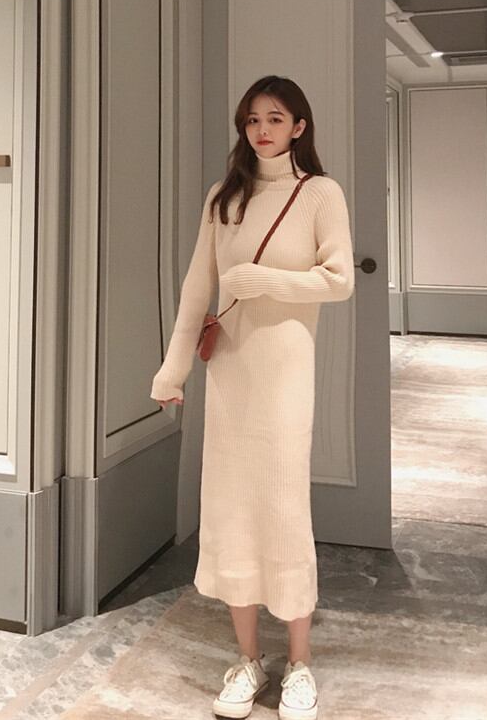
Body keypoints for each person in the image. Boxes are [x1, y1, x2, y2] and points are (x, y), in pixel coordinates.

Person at [150, 74, 355, 720]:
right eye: (252, 119)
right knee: (232, 508)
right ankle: (247, 659)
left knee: (284, 507)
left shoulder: (320, 193)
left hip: (286, 369)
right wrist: (173, 369)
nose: (262, 130)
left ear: (299, 126)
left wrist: (266, 281)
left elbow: (339, 280)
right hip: (232, 372)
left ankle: (300, 664)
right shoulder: (225, 197)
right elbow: (197, 289)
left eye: (275, 118)